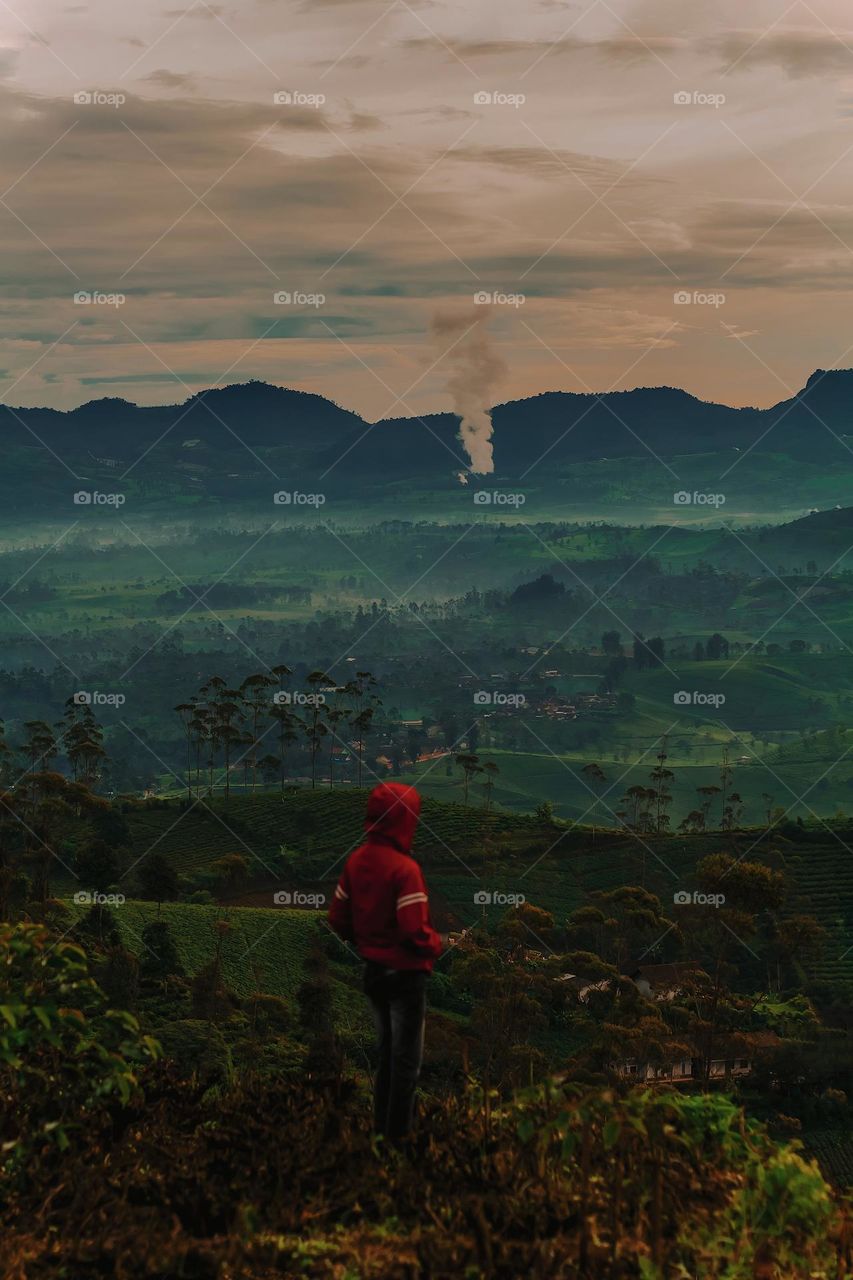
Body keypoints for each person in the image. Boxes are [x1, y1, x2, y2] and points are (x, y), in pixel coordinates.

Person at [328, 781, 442, 1144]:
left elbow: (338, 919)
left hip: (373, 973)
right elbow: (414, 930)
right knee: (406, 1064)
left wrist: (367, 939)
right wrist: (434, 944)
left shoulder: (357, 861)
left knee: (387, 1057)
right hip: (406, 978)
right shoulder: (405, 870)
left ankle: (380, 1134)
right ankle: (398, 1143)